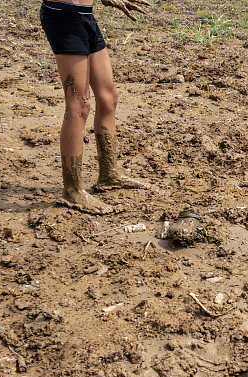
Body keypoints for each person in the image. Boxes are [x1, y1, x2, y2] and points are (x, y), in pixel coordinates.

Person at [40, 0, 150, 215]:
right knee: (79, 103)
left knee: (109, 97)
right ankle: (72, 189)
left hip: (84, 14)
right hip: (63, 15)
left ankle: (109, 175)